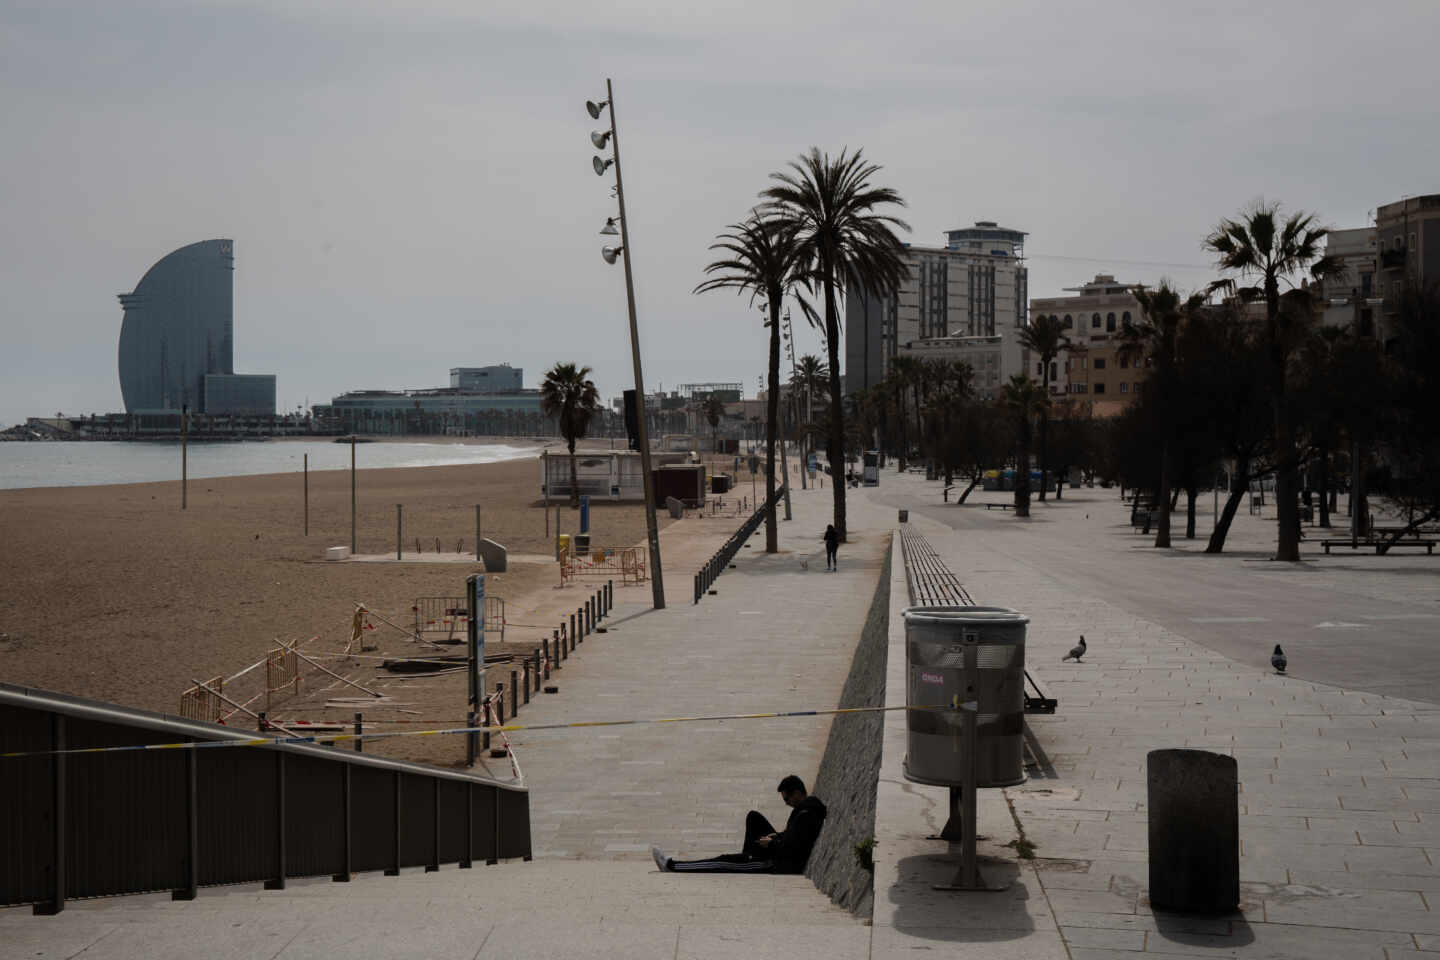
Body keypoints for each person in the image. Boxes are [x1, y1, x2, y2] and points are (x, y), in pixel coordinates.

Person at [651, 775, 826, 874]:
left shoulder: (806, 815)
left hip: (776, 863)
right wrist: (776, 837)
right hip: (778, 851)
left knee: (723, 861)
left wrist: (772, 843)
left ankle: (672, 866)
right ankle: (750, 855)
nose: (786, 803)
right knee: (754, 817)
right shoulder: (805, 810)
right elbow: (792, 837)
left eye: (787, 798)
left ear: (797, 793)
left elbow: (795, 848)